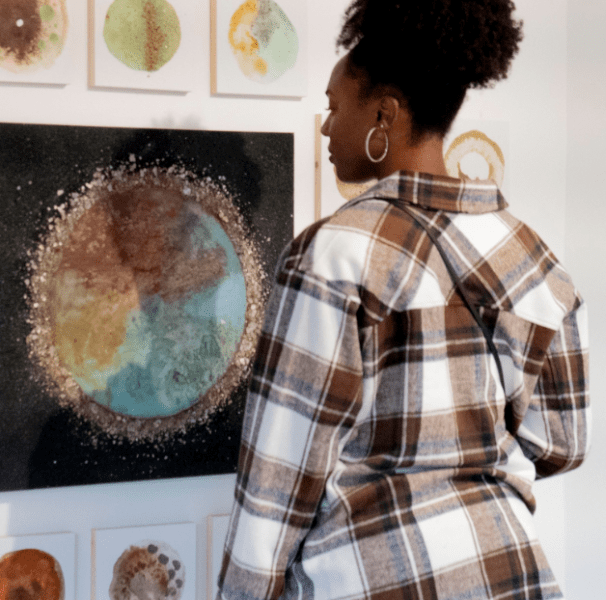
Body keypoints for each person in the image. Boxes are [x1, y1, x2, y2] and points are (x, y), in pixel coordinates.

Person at [216, 1, 590, 599]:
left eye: (336, 107)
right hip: (512, 573)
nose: (325, 127)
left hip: (375, 579)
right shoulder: (535, 259)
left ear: (383, 114)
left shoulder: (332, 256)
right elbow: (561, 445)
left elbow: (277, 481)